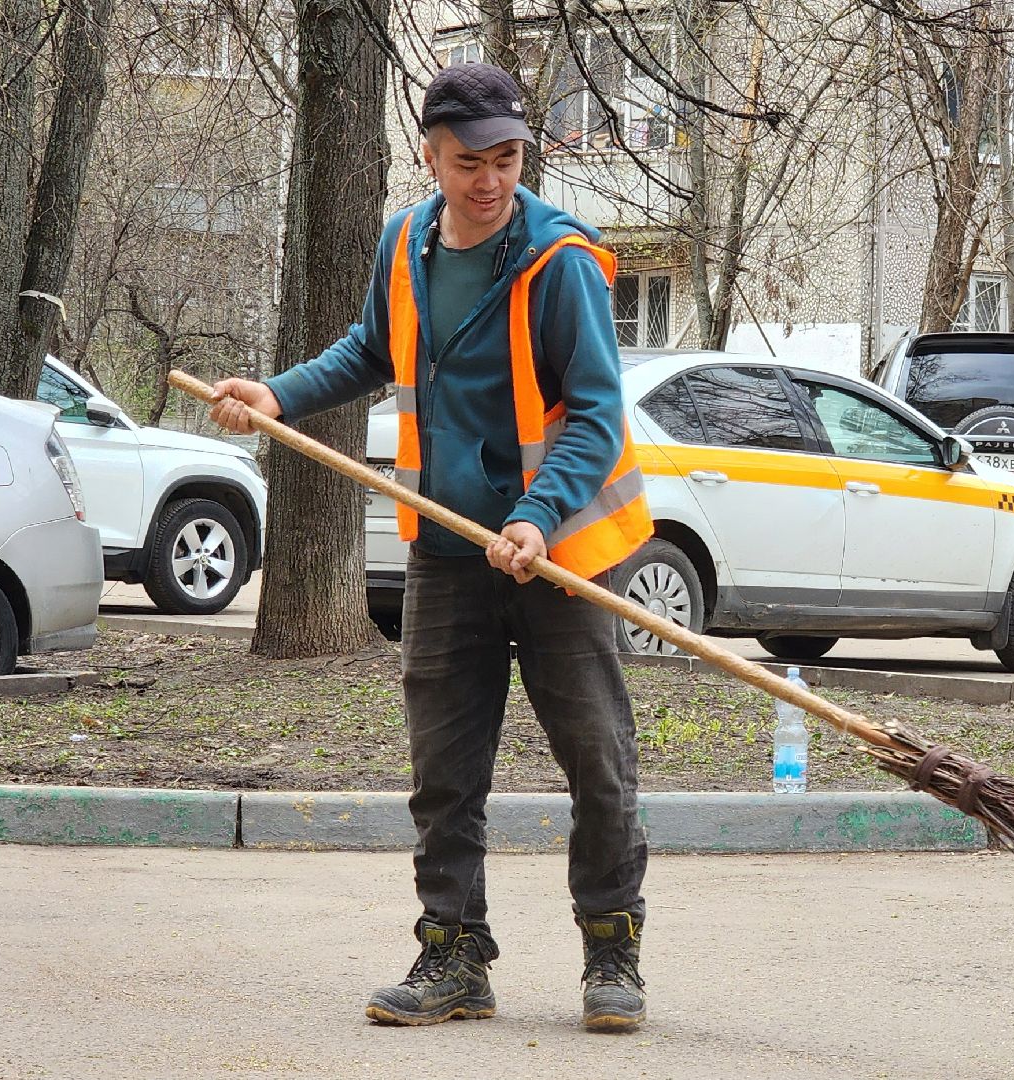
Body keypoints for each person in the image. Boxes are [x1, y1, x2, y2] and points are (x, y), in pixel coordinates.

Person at [206, 62, 655, 1032]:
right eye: (467, 161)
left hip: (560, 553)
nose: (489, 178)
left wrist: (536, 515)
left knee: (596, 758)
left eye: (506, 158)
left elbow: (591, 412)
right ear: (430, 156)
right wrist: (276, 396)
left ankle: (611, 950)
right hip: (448, 551)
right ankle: (452, 954)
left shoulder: (558, 261)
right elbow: (371, 350)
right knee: (443, 767)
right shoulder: (406, 242)